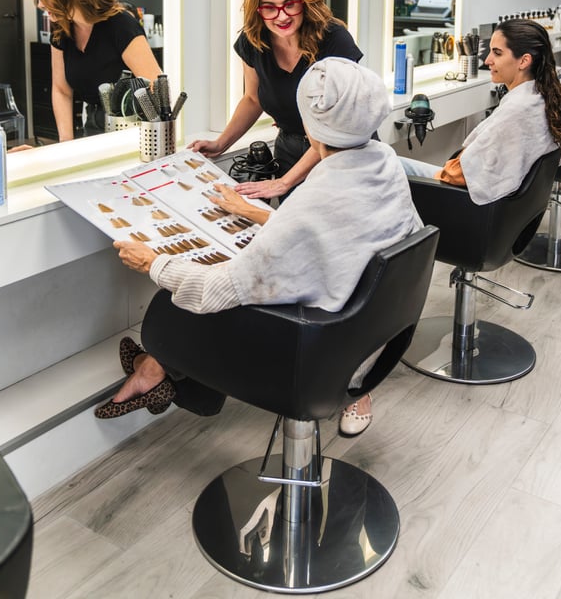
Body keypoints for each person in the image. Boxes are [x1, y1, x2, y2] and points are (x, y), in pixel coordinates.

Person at [95, 57, 422, 438]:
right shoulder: (384, 163)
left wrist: (153, 263)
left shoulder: (316, 196)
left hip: (321, 355)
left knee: (170, 311)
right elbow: (334, 232)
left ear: (311, 121)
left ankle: (155, 373)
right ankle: (166, 381)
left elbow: (216, 290)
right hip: (372, 339)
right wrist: (254, 212)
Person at [189, 0, 362, 201]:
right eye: (269, 7)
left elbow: (335, 128)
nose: (281, 16)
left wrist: (284, 183)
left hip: (341, 153)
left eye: (290, 4)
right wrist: (220, 144)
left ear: (304, 0)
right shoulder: (253, 41)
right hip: (289, 150)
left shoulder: (334, 39)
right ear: (257, 9)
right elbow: (252, 99)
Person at [401, 18, 561, 202]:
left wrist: (451, 167)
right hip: (508, 211)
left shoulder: (517, 110)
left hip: (465, 204)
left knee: (391, 162)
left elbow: (456, 175)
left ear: (524, 61)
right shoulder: (541, 99)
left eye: (497, 53)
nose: (487, 60)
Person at [33, 0, 162, 140]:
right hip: (93, 125)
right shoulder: (60, 28)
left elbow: (154, 85)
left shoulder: (120, 25)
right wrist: (65, 143)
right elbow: (61, 90)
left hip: (132, 129)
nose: (39, 4)